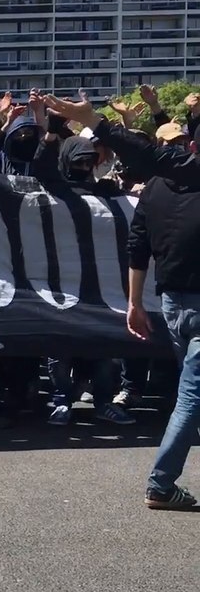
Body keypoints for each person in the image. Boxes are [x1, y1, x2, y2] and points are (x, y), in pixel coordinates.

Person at [46, 95, 199, 510]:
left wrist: (134, 302)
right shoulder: (169, 180)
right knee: (191, 399)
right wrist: (96, 121)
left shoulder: (154, 191)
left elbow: (137, 248)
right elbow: (149, 154)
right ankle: (162, 485)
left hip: (173, 307)